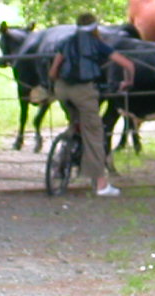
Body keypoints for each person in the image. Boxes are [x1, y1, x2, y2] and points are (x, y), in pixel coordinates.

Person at [48, 13, 135, 197]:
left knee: (75, 121)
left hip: (62, 89)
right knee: (94, 134)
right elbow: (127, 64)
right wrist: (127, 81)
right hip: (83, 91)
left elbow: (54, 69)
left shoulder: (66, 41)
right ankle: (101, 185)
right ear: (95, 27)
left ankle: (64, 153)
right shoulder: (97, 44)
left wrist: (57, 84)